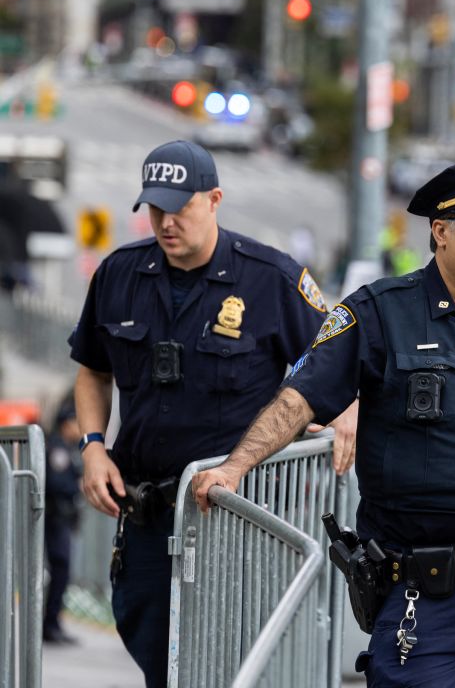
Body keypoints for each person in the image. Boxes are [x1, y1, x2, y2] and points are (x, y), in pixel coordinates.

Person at [191, 154, 455, 687]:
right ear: (440, 231)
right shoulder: (379, 313)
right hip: (420, 595)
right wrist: (235, 467)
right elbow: (301, 398)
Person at [69, 139, 356, 687]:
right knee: (159, 657)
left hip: (237, 521)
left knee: (232, 666)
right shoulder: (120, 274)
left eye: (180, 207)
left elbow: (339, 359)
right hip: (150, 514)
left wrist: (351, 411)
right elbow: (92, 369)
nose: (166, 222)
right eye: (155, 209)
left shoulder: (270, 277)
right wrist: (92, 446)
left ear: (215, 199)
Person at [44, 392, 82, 645]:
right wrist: (77, 484)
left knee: (62, 572)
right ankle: (49, 624)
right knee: (59, 569)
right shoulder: (57, 448)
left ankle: (53, 622)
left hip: (61, 519)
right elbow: (56, 483)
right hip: (54, 517)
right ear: (66, 423)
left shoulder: (68, 449)